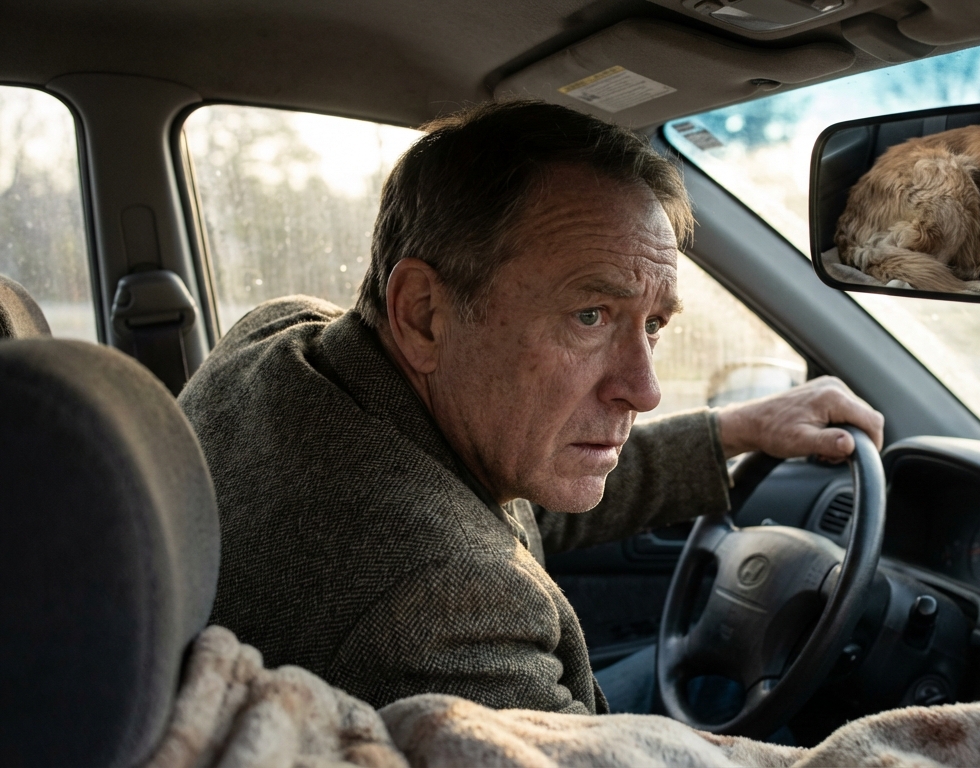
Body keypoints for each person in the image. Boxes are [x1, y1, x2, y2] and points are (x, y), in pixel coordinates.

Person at [178, 99, 883, 717]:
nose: (645, 389)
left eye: (654, 325)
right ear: (423, 313)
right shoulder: (442, 601)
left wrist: (735, 430)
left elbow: (510, 493)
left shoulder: (278, 341)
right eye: (589, 314)